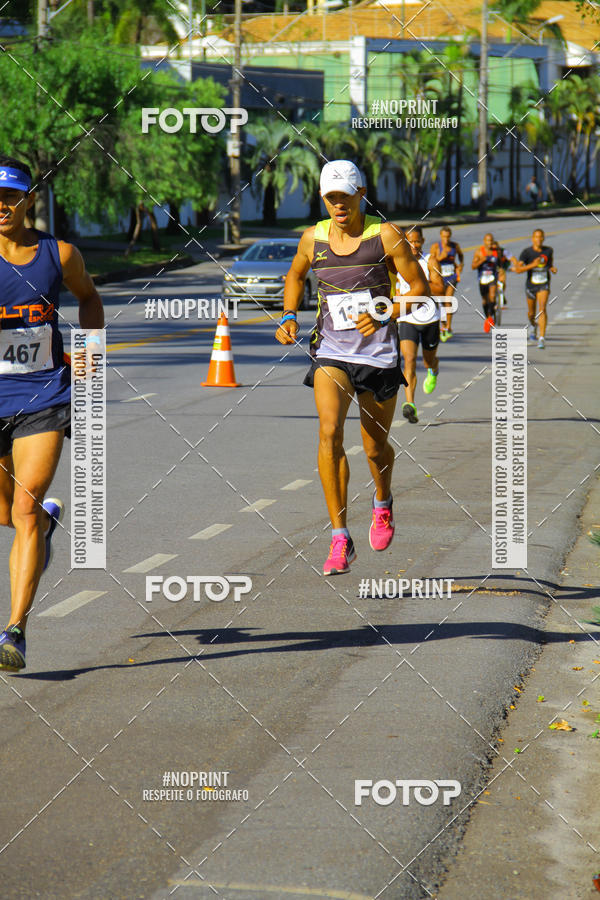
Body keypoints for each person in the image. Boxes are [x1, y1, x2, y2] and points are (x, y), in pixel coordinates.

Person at [275, 160, 430, 576]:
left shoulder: (385, 236)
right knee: (329, 432)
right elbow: (294, 275)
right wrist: (289, 315)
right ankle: (340, 537)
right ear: (324, 199)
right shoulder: (314, 238)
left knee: (376, 446)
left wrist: (385, 311)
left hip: (378, 356)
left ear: (361, 194)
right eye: (331, 197)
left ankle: (382, 501)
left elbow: (421, 290)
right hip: (331, 352)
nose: (338, 204)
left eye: (345, 196)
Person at [0, 156, 104, 672]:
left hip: (44, 396)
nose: (2, 205)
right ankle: (44, 527)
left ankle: (14, 630)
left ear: (29, 200)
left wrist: (87, 369)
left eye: (12, 196)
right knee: (10, 515)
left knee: (22, 509)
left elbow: (89, 300)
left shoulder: (58, 254)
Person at [397, 226, 445, 425]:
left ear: (423, 241)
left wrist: (420, 284)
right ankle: (410, 404)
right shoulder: (399, 261)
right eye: (409, 242)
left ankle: (433, 369)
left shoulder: (430, 261)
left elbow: (440, 287)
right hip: (407, 319)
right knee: (408, 360)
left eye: (417, 241)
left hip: (430, 319)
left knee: (427, 361)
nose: (414, 245)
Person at [511, 228, 556, 349]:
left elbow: (549, 263)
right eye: (536, 237)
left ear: (543, 238)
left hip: (543, 283)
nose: (539, 239)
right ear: (532, 239)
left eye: (541, 237)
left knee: (542, 309)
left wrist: (552, 268)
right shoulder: (526, 253)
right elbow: (519, 270)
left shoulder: (548, 251)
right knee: (531, 313)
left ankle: (542, 338)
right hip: (531, 285)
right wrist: (532, 265)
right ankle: (533, 324)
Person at [428, 226, 463, 341]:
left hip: (451, 277)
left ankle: (448, 326)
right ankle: (442, 325)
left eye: (448, 237)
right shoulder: (436, 247)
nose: (446, 239)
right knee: (441, 302)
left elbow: (461, 256)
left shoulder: (455, 246)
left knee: (448, 301)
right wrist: (441, 256)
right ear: (440, 236)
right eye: (444, 237)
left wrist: (459, 266)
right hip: (439, 278)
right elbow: (431, 261)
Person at [472, 233, 501, 333]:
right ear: (484, 241)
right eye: (487, 241)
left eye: (491, 241)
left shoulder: (496, 252)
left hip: (493, 277)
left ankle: (490, 317)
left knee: (492, 297)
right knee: (485, 300)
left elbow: (501, 263)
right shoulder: (479, 252)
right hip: (482, 278)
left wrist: (501, 272)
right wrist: (481, 260)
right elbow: (473, 266)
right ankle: (487, 318)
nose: (489, 243)